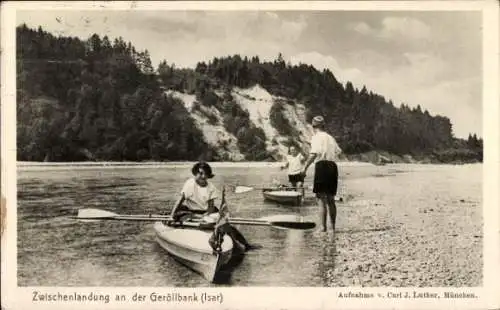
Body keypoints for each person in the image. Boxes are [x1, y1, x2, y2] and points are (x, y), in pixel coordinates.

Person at [170, 162, 256, 251]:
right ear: (195, 173)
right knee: (179, 216)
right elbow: (180, 200)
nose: (203, 176)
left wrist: (205, 215)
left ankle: (245, 244)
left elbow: (211, 207)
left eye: (205, 174)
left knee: (226, 225)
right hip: (190, 211)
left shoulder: (211, 187)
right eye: (200, 173)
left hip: (205, 212)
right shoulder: (190, 183)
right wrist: (171, 216)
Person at [301, 116, 342, 233]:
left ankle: (323, 228)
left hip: (322, 165)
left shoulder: (316, 137)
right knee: (331, 199)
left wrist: (304, 168)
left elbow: (313, 154)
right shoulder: (331, 138)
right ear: (323, 126)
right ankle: (333, 228)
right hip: (333, 166)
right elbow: (339, 151)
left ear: (314, 127)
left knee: (321, 199)